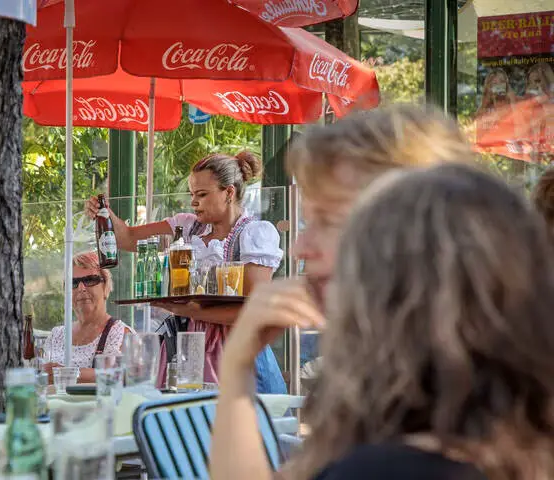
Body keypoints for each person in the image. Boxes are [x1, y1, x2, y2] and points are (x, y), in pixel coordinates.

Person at [214, 163, 554, 479]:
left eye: (330, 223)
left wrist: (236, 370)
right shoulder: (520, 435)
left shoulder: (390, 467)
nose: (300, 247)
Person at [85, 151, 286, 393]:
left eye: (202, 194)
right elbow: (127, 238)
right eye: (192, 194)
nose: (194, 202)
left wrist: (190, 310)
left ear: (229, 192)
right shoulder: (186, 227)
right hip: (191, 345)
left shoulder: (255, 234)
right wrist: (103, 212)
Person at [42, 252, 131, 383]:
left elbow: (117, 376)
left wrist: (64, 374)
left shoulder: (120, 334)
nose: (81, 288)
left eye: (90, 280)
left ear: (106, 287)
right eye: (73, 283)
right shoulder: (56, 335)